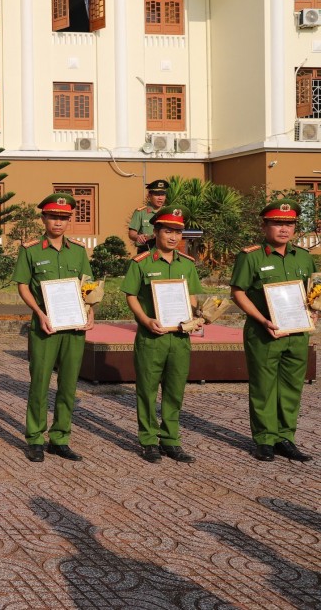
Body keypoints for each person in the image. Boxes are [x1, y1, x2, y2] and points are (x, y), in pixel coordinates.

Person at [230, 200, 318, 463]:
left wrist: (314, 310)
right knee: (264, 387)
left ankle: (285, 437)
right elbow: (237, 292)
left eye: (289, 224)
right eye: (278, 223)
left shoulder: (303, 257)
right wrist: (263, 320)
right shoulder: (251, 256)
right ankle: (265, 440)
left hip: (297, 333)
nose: (284, 229)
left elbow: (313, 292)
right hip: (264, 332)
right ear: (265, 225)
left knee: (292, 387)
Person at [13, 192, 95, 463]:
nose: (58, 222)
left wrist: (91, 311)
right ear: (44, 218)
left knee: (69, 385)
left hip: (73, 327)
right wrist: (38, 312)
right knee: (39, 383)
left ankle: (60, 438)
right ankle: (35, 438)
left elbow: (87, 286)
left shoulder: (79, 250)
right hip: (45, 326)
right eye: (53, 217)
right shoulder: (31, 249)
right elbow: (23, 285)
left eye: (63, 217)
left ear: (69, 220)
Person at [120, 205, 205, 464]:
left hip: (179, 337)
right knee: (146, 390)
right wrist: (145, 320)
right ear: (155, 231)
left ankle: (170, 440)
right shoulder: (142, 263)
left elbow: (191, 296)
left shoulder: (187, 265)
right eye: (168, 231)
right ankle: (148, 440)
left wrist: (197, 315)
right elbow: (130, 295)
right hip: (151, 337)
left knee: (175, 390)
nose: (173, 237)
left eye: (178, 232)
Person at [128, 179, 169, 250]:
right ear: (149, 196)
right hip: (145, 250)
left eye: (162, 195)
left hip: (163, 251)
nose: (160, 198)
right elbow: (132, 233)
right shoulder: (140, 212)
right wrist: (138, 237)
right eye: (157, 195)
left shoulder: (168, 212)